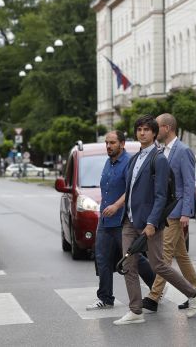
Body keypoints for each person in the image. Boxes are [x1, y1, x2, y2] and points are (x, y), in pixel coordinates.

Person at [114, 115, 196, 325]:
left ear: (154, 133)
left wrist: (152, 222)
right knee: (129, 265)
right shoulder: (135, 159)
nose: (142, 133)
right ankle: (135, 310)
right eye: (139, 129)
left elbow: (161, 195)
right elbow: (130, 190)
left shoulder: (159, 159)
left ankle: (193, 293)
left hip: (148, 223)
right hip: (129, 221)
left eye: (146, 129)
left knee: (158, 265)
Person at [86, 131, 155, 311]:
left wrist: (116, 206)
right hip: (105, 221)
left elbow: (131, 189)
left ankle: (156, 288)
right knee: (102, 259)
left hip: (123, 220)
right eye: (106, 143)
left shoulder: (129, 162)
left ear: (122, 144)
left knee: (134, 258)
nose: (108, 146)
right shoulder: (108, 163)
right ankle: (105, 298)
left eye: (112, 143)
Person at [142, 113, 196, 312]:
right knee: (181, 255)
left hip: (176, 212)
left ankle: (154, 296)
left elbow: (188, 183)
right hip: (163, 210)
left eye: (156, 126)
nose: (152, 129)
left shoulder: (183, 151)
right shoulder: (160, 150)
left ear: (167, 128)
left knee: (165, 254)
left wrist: (186, 212)